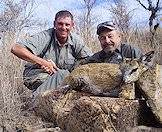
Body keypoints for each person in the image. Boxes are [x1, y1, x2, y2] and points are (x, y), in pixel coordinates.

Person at [11, 10, 92, 96]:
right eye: (60, 24)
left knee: (68, 78)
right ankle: (35, 103)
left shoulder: (76, 40)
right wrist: (43, 62)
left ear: (72, 25)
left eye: (67, 25)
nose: (63, 27)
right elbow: (15, 48)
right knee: (62, 79)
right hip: (38, 75)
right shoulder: (45, 36)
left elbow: (90, 59)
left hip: (61, 76)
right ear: (54, 24)